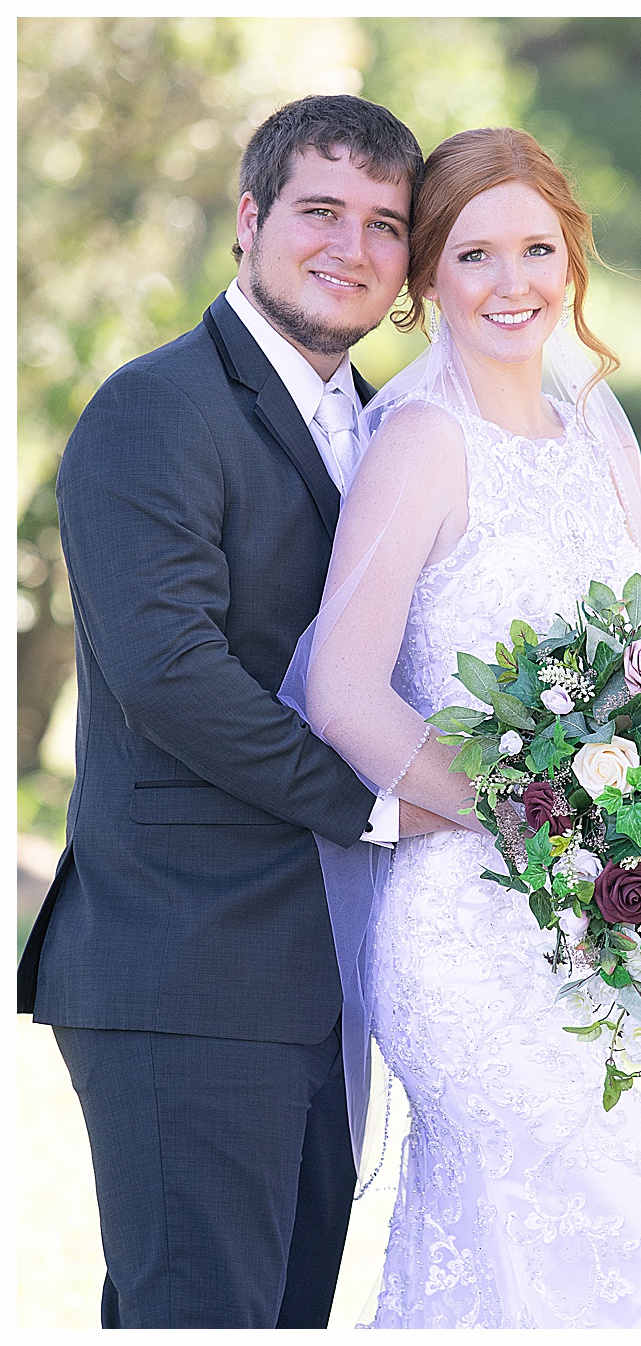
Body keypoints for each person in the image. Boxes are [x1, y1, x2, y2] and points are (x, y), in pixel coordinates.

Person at [297, 127, 641, 1327]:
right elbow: (343, 688)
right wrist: (532, 820)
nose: (513, 285)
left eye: (538, 248)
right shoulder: (419, 442)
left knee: (607, 1246)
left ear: (573, 258)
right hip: (462, 931)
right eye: (474, 253)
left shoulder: (599, 428)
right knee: (584, 1227)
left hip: (597, 930)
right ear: (427, 279)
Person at [17, 95, 426, 1327]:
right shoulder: (156, 410)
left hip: (319, 981)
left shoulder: (390, 425)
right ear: (248, 221)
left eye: (385, 224)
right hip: (184, 967)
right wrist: (385, 809)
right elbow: (172, 675)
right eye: (320, 211)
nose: (350, 246)